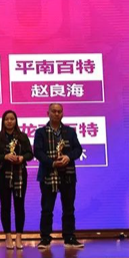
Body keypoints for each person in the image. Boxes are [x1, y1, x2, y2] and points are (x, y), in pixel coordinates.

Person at [33, 103, 84, 249]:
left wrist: (68, 157)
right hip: (48, 174)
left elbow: (78, 149)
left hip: (68, 175)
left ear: (62, 114)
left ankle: (69, 237)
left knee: (69, 208)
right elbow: (38, 152)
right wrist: (52, 163)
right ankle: (45, 238)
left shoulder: (70, 132)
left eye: (59, 111)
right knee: (47, 208)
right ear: (48, 113)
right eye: (54, 111)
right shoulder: (41, 132)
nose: (56, 114)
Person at [0, 110, 33, 249]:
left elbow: (30, 154)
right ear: (3, 121)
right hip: (3, 175)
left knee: (19, 205)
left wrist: (22, 158)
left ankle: (19, 236)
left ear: (16, 121)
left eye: (12, 119)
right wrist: (4, 157)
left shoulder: (22, 137)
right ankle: (8, 236)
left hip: (20, 175)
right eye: (7, 119)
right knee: (5, 205)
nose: (9, 121)